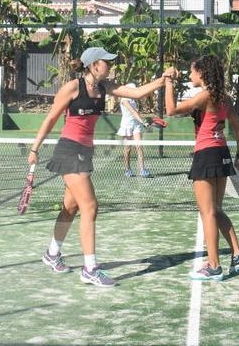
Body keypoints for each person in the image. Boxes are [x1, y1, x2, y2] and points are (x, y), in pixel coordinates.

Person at [28, 47, 172, 287]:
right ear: (94, 65)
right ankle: (90, 268)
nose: (111, 66)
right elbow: (51, 117)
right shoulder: (73, 87)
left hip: (85, 152)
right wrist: (34, 149)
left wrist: (163, 79)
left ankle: (52, 253)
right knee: (90, 206)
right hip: (68, 151)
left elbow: (136, 94)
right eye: (107, 62)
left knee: (70, 208)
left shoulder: (105, 87)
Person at [165, 55, 239, 281]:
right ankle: (238, 255)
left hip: (206, 154)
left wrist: (167, 82)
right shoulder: (224, 97)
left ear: (202, 73)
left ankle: (213, 265)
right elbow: (238, 129)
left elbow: (171, 110)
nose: (190, 75)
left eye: (193, 71)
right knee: (216, 208)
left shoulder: (205, 95)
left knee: (208, 212)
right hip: (222, 153)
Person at [116, 83, 151, 178]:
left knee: (139, 146)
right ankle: (127, 169)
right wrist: (143, 122)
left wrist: (141, 122)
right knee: (128, 149)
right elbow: (132, 111)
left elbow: (136, 112)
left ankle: (142, 170)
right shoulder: (124, 100)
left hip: (136, 125)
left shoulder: (133, 99)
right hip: (126, 126)